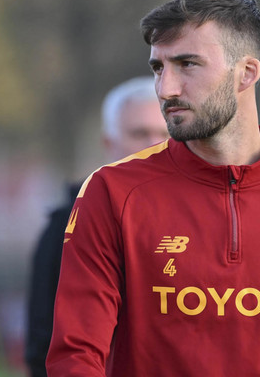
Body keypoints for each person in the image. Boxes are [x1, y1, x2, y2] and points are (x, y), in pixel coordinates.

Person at [46, 0, 260, 377]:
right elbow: (75, 356)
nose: (165, 89)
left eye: (187, 64)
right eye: (158, 68)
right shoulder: (112, 192)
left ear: (246, 73)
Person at [25, 76, 169, 376]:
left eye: (165, 133)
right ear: (109, 143)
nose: (154, 144)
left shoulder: (204, 218)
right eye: (140, 133)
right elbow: (43, 343)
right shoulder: (67, 225)